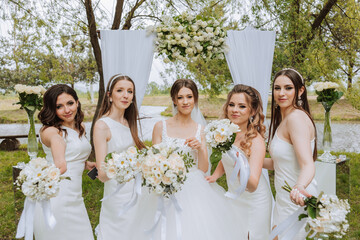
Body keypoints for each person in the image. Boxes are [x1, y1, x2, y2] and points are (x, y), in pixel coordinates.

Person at [132, 79, 244, 240]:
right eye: (180, 97)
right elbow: (153, 160)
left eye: (189, 97)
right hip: (164, 185)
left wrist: (200, 148)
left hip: (193, 185)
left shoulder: (201, 130)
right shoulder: (160, 126)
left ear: (195, 99)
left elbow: (204, 169)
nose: (185, 102)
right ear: (174, 100)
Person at [206, 84, 272, 239]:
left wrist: (239, 165)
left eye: (242, 106)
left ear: (253, 111)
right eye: (231, 104)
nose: (235, 110)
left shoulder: (255, 140)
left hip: (254, 200)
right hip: (234, 198)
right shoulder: (226, 133)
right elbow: (225, 158)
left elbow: (253, 185)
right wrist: (215, 176)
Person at [34, 84, 95, 240]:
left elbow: (75, 154)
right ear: (51, 109)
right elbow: (59, 147)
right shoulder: (50, 131)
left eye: (70, 103)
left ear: (77, 102)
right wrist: (60, 164)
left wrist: (86, 164)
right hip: (57, 198)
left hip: (76, 198)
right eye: (59, 106)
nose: (67, 110)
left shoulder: (80, 126)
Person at [264, 68, 318, 240]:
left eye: (288, 88)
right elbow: (277, 163)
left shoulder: (296, 119)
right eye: (277, 88)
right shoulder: (284, 119)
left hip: (295, 198)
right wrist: (248, 157)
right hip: (283, 197)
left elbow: (308, 164)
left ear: (300, 90)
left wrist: (300, 187)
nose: (281, 93)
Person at [93, 74, 145, 240]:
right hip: (117, 193)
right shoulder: (102, 126)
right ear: (109, 95)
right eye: (120, 90)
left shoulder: (128, 122)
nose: (125, 95)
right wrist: (126, 166)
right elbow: (101, 174)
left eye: (130, 91)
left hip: (137, 189)